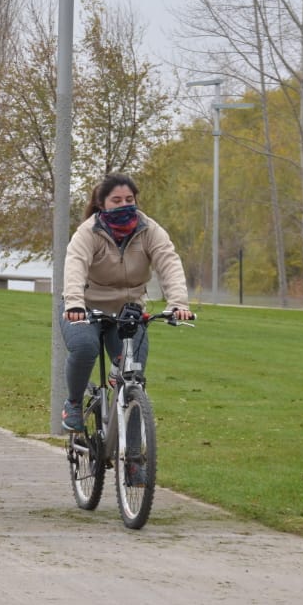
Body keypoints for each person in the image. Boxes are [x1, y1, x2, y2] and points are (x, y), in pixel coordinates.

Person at [59, 172, 194, 432]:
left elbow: (169, 262)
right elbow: (75, 265)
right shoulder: (89, 232)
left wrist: (178, 303)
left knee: (133, 377)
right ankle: (74, 403)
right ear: (102, 204)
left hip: (127, 311)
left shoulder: (148, 230)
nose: (124, 205)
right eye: (116, 200)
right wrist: (74, 304)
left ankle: (135, 462)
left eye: (129, 199)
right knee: (85, 348)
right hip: (86, 308)